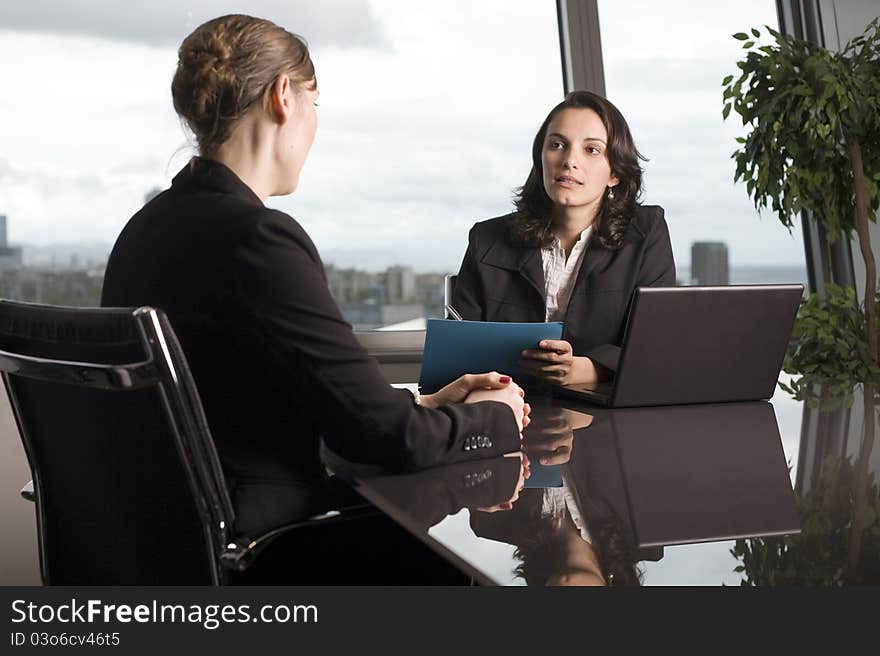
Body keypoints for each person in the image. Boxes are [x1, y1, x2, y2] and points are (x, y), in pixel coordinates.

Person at [100, 14, 529, 536]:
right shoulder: (257, 240)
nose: (314, 122)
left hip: (164, 537)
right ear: (284, 96)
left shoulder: (144, 230)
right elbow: (386, 440)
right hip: (270, 543)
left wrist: (426, 403)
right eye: (315, 103)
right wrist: (497, 414)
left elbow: (275, 403)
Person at [451, 91, 675, 385]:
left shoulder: (646, 233)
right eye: (557, 145)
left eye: (592, 150)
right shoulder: (487, 239)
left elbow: (657, 344)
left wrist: (586, 369)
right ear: (540, 158)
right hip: (503, 408)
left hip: (605, 413)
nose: (570, 160)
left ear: (615, 173)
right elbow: (457, 354)